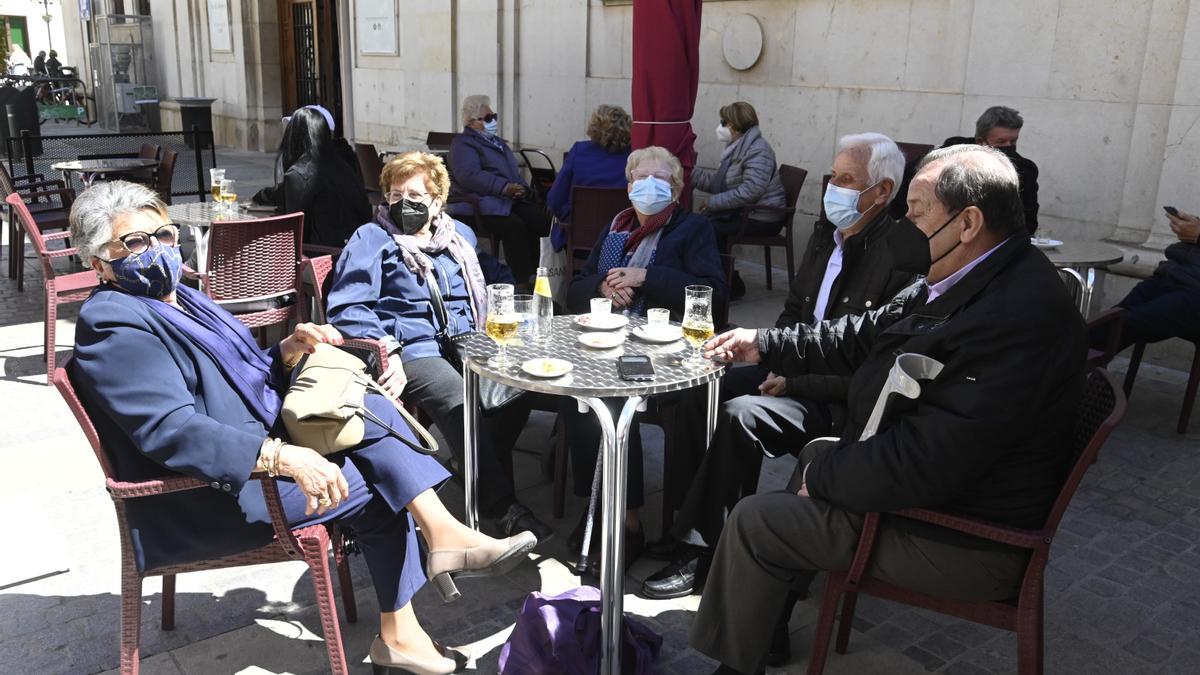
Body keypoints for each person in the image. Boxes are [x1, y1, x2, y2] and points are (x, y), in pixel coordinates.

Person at [67, 180, 537, 675]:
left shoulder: (182, 295)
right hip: (218, 490)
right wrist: (280, 456)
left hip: (259, 447)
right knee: (382, 488)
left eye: (163, 234)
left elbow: (245, 371)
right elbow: (169, 430)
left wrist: (288, 349)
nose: (158, 249)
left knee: (365, 413)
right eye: (135, 243)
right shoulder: (113, 322)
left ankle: (441, 538)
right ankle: (404, 628)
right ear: (97, 261)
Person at [690, 145, 1086, 675]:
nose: (904, 222)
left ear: (967, 222)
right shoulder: (969, 274)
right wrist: (764, 343)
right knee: (812, 458)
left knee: (757, 520)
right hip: (937, 494)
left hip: (963, 536)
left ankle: (738, 664)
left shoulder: (1016, 314)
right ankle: (767, 626)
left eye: (917, 210)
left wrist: (825, 474)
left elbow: (931, 460)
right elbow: (862, 333)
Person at [641, 133, 929, 608]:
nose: (832, 187)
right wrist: (773, 358)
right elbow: (795, 312)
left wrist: (794, 379)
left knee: (740, 416)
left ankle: (702, 551)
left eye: (847, 179)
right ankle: (688, 519)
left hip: (839, 397)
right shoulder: (827, 234)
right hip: (791, 367)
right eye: (831, 175)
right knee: (697, 384)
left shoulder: (904, 255)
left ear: (883, 190)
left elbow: (873, 358)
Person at [325, 151, 553, 544]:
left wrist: (524, 301)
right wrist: (387, 348)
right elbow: (347, 306)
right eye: (396, 194)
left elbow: (496, 278)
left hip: (469, 338)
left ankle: (475, 466)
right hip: (412, 348)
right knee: (460, 401)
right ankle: (501, 507)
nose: (403, 203)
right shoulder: (373, 237)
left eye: (415, 195)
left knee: (521, 386)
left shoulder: (459, 235)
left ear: (437, 201)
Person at [562, 145, 727, 569]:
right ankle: (598, 501)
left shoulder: (693, 230)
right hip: (607, 340)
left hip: (664, 349)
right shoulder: (615, 228)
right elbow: (576, 289)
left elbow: (713, 295)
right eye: (641, 177)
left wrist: (647, 277)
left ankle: (628, 521)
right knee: (578, 391)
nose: (650, 185)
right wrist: (602, 287)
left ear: (676, 188)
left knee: (615, 398)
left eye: (662, 178)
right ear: (628, 185)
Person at [447, 94, 550, 286]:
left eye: (493, 116)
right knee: (514, 227)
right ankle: (521, 281)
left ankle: (541, 273)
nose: (492, 121)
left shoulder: (498, 143)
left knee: (539, 220)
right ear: (471, 122)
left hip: (504, 201)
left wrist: (522, 189)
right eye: (487, 118)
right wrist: (503, 187)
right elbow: (469, 175)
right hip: (477, 203)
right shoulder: (463, 144)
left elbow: (512, 172)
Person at [692, 101, 787, 298]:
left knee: (709, 229)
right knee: (701, 225)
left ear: (734, 126)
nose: (720, 126)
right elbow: (721, 182)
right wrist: (688, 173)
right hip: (744, 212)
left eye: (723, 122)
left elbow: (750, 191)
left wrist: (712, 202)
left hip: (763, 218)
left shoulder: (758, 150)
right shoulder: (736, 147)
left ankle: (729, 284)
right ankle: (720, 279)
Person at [252, 105, 372, 248]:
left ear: (293, 136)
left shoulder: (299, 174)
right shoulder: (343, 162)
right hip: (358, 247)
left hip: (324, 255)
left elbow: (297, 232)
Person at [1091, 208, 1200, 354]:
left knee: (1125, 324)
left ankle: (1064, 363)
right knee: (1113, 317)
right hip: (1178, 274)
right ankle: (1070, 362)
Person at [942, 105, 1040, 234]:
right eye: (1001, 142)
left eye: (1013, 141)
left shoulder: (1024, 171)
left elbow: (1028, 221)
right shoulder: (954, 153)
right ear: (981, 141)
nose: (1008, 146)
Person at [545, 104, 632, 223]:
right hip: (620, 234)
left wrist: (571, 218)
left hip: (577, 234)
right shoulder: (634, 157)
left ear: (594, 127)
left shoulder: (579, 151)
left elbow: (555, 201)